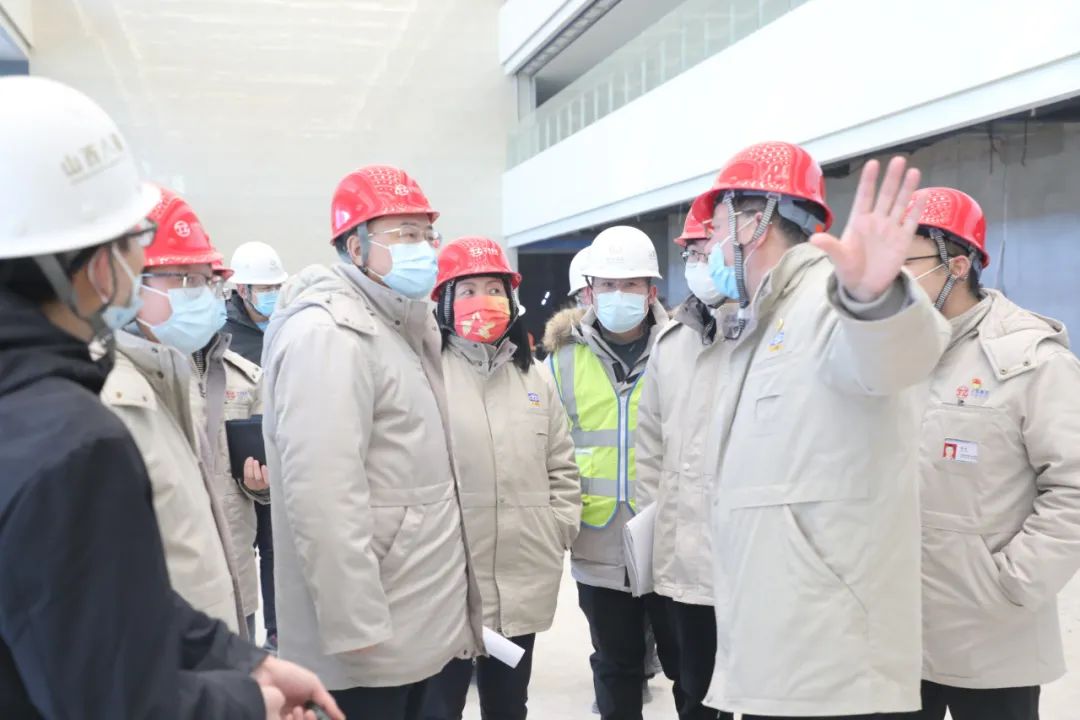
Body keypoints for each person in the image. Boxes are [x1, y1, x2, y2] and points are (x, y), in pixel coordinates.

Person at [0, 75, 341, 720]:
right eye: (134, 238)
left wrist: (239, 658)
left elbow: (100, 596)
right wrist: (251, 701)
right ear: (95, 263)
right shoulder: (73, 441)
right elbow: (118, 703)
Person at [689, 141, 951, 719]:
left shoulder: (828, 302)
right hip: (783, 650)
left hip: (833, 664)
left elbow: (897, 359)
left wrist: (874, 300)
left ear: (752, 220)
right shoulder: (763, 319)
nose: (711, 247)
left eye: (715, 228)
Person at [262, 164, 484, 720]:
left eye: (427, 234)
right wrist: (355, 624)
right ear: (355, 247)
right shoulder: (330, 336)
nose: (423, 248)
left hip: (414, 617)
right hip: (371, 643)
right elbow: (323, 498)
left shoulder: (398, 325)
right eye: (404, 234)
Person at [901, 187, 1080, 720]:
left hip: (993, 632)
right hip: (897, 632)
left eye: (907, 264)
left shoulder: (1030, 360)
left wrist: (1013, 581)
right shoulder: (894, 353)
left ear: (957, 266)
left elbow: (1072, 487)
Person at [422, 236, 582, 720]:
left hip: (519, 575)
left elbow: (561, 465)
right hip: (445, 582)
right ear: (444, 302)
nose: (484, 301)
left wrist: (556, 528)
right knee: (438, 707)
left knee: (509, 706)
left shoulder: (535, 378)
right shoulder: (424, 374)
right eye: (468, 290)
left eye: (494, 289)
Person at [543, 225, 681, 720]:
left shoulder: (680, 349)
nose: (618, 294)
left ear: (651, 291)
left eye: (631, 284)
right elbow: (547, 447)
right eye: (608, 284)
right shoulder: (561, 359)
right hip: (598, 541)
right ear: (590, 290)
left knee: (689, 667)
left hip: (671, 539)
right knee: (615, 666)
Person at [100, 186, 249, 636]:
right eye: (183, 279)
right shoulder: (105, 393)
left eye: (205, 280)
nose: (200, 295)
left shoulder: (173, 375)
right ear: (126, 279)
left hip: (207, 635)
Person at [635, 209, 733, 720]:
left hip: (752, 562)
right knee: (694, 693)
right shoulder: (670, 343)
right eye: (692, 253)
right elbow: (651, 449)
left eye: (708, 251)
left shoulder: (770, 334)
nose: (699, 262)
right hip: (686, 565)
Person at [225, 240, 289, 651]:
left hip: (289, 450)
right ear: (242, 290)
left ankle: (279, 631)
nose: (272, 295)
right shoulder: (224, 335)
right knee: (245, 545)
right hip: (245, 457)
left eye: (276, 287)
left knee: (277, 547)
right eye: (265, 288)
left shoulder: (288, 325)